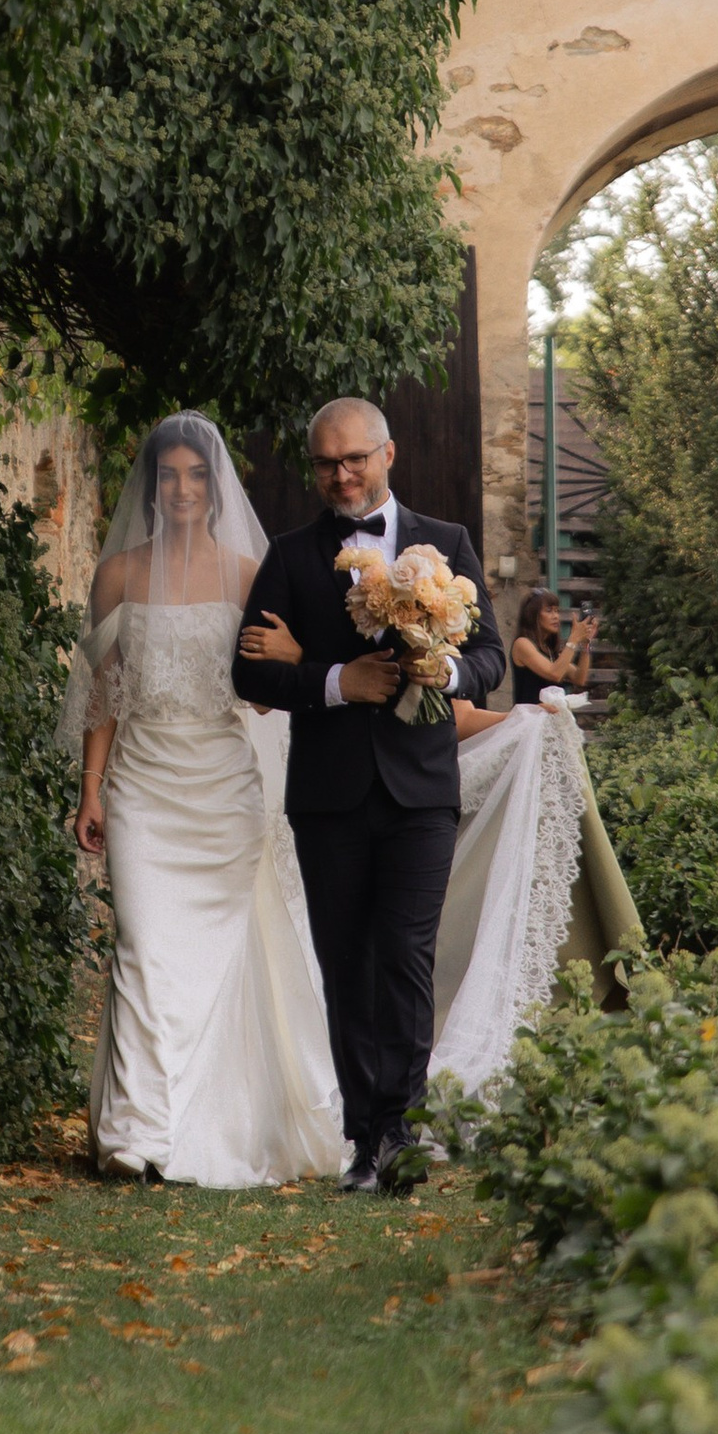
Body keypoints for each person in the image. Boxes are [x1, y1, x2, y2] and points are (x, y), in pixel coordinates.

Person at [230, 398, 506, 1193]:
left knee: (407, 962)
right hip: (329, 794)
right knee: (346, 964)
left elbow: (488, 654)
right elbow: (248, 672)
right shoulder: (289, 555)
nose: (339, 475)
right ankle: (362, 1142)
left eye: (352, 458)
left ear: (388, 454)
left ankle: (403, 1138)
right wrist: (332, 679)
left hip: (421, 790)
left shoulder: (447, 545)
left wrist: (447, 673)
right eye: (324, 463)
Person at [65, 416, 345, 1188]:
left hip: (223, 788)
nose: (183, 489)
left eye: (196, 475)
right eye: (168, 476)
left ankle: (202, 1123)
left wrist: (285, 671)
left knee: (212, 958)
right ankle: (137, 1133)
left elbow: (271, 689)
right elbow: (103, 692)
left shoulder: (250, 572)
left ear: (215, 486)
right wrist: (90, 789)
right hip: (142, 788)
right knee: (145, 949)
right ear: (150, 486)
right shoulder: (118, 573)